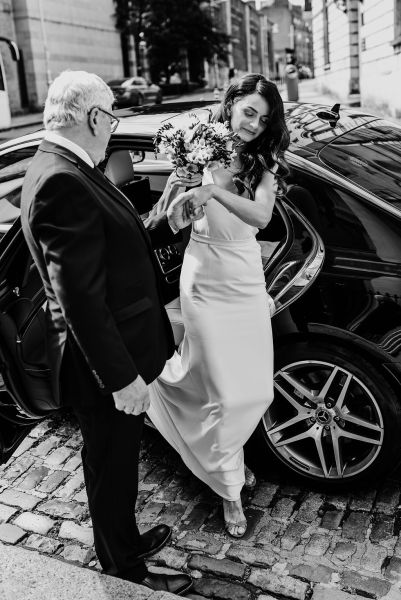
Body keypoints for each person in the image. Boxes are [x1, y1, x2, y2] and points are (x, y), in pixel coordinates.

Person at [20, 70, 199, 596]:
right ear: (95, 117)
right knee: (110, 464)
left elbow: (111, 247)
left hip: (115, 351)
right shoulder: (61, 181)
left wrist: (164, 218)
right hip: (104, 365)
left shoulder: (67, 167)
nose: (114, 126)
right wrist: (123, 379)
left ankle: (124, 538)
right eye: (113, 116)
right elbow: (81, 300)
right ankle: (124, 567)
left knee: (113, 461)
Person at [147, 73, 290, 538]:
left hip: (245, 280)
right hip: (204, 279)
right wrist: (183, 188)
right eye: (248, 111)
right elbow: (169, 222)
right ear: (229, 105)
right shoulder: (195, 149)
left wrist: (211, 191)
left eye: (263, 118)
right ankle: (229, 487)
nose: (253, 124)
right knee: (223, 393)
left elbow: (262, 215)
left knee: (254, 391)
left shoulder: (263, 161)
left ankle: (210, 445)